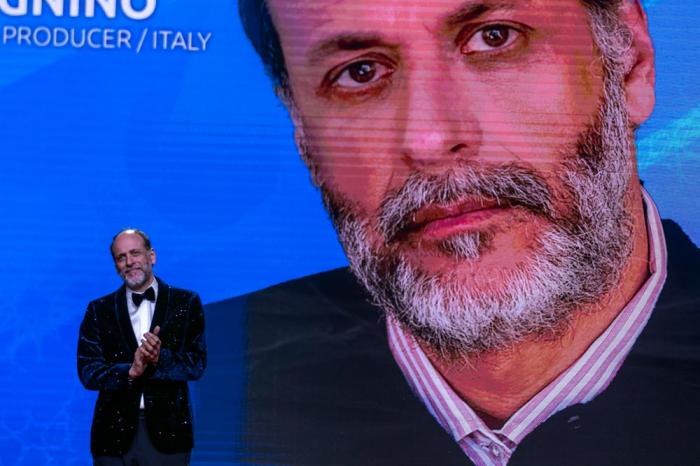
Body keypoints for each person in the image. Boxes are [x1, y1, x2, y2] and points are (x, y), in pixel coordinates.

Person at [200, 1, 700, 464]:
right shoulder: (184, 390)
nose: (431, 140)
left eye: (495, 37)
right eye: (360, 73)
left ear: (629, 61)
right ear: (304, 135)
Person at [78, 228, 206, 465]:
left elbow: (196, 364)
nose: (129, 262)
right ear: (116, 265)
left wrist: (160, 358)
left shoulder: (186, 302)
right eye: (121, 257)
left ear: (152, 255)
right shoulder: (99, 309)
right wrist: (130, 371)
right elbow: (88, 371)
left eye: (135, 253)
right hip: (112, 437)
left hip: (169, 435)